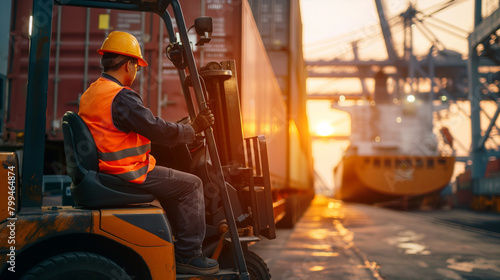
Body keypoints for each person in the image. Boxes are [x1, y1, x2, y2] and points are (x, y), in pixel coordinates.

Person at [78, 31, 218, 275]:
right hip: (127, 171)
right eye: (138, 67)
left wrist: (178, 130)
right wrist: (193, 128)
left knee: (173, 181)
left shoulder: (93, 91)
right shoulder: (121, 97)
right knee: (192, 185)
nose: (137, 71)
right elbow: (157, 129)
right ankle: (189, 255)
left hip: (106, 166)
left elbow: (140, 127)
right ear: (129, 64)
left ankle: (175, 240)